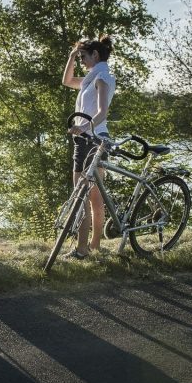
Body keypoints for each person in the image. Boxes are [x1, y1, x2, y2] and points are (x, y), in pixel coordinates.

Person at [61, 35, 116, 259]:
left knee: (83, 195)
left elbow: (102, 111)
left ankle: (83, 249)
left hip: (92, 139)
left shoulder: (102, 76)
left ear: (95, 55)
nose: (82, 60)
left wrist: (82, 127)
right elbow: (67, 80)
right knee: (92, 196)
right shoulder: (91, 77)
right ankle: (93, 246)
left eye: (83, 56)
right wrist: (72, 57)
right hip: (88, 137)